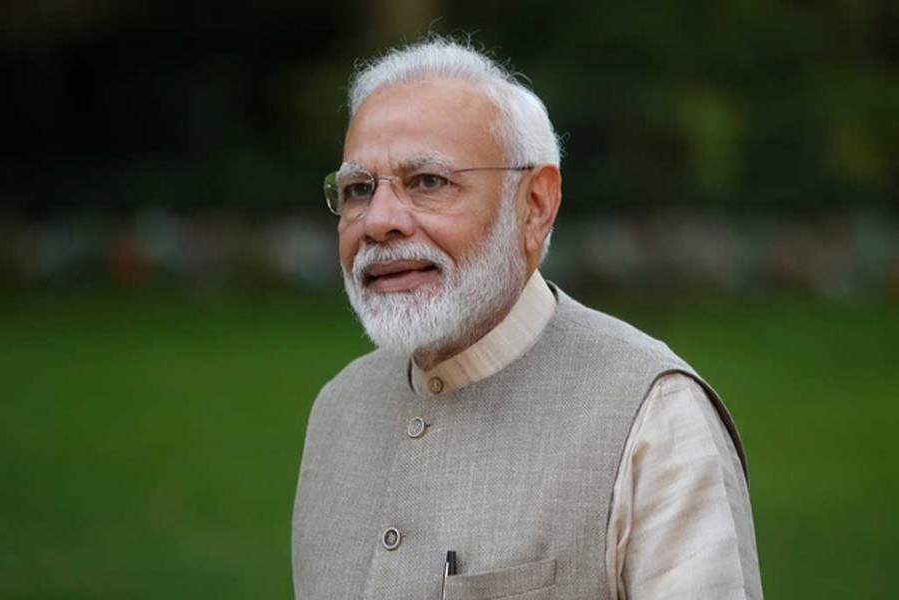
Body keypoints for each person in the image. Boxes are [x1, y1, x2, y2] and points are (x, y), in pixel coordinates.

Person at [292, 37, 762, 599]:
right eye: (358, 190)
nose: (379, 220)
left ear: (534, 205)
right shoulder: (338, 410)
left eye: (429, 182)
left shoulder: (654, 418)